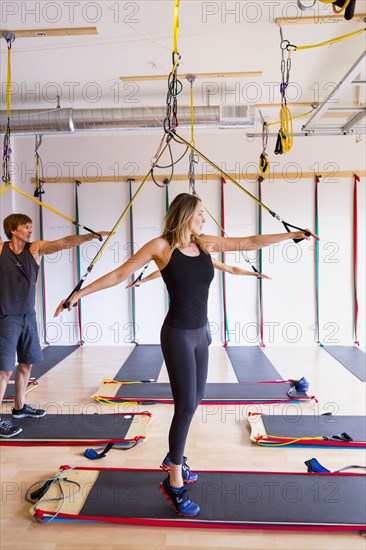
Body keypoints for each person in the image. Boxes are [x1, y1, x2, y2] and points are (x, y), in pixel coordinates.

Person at [55, 193, 319, 517]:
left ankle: (172, 458)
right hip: (178, 335)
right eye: (200, 215)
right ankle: (174, 482)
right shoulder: (161, 247)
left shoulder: (204, 243)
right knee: (184, 408)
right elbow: (119, 274)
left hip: (201, 335)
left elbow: (249, 242)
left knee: (194, 402)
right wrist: (79, 293)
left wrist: (291, 234)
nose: (204, 220)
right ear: (184, 215)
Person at [0, 213, 108, 438]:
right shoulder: (1, 250)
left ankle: (19, 408)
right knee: (4, 371)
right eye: (26, 226)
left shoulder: (35, 249)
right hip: (6, 317)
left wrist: (89, 237)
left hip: (28, 316)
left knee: (26, 365)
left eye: (31, 226)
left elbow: (63, 244)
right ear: (12, 230)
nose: (30, 230)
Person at [125, 258, 270, 345]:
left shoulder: (208, 259)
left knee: (207, 341)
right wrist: (142, 280)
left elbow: (231, 269)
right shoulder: (179, 261)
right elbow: (160, 272)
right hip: (182, 318)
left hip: (200, 315)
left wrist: (253, 273)